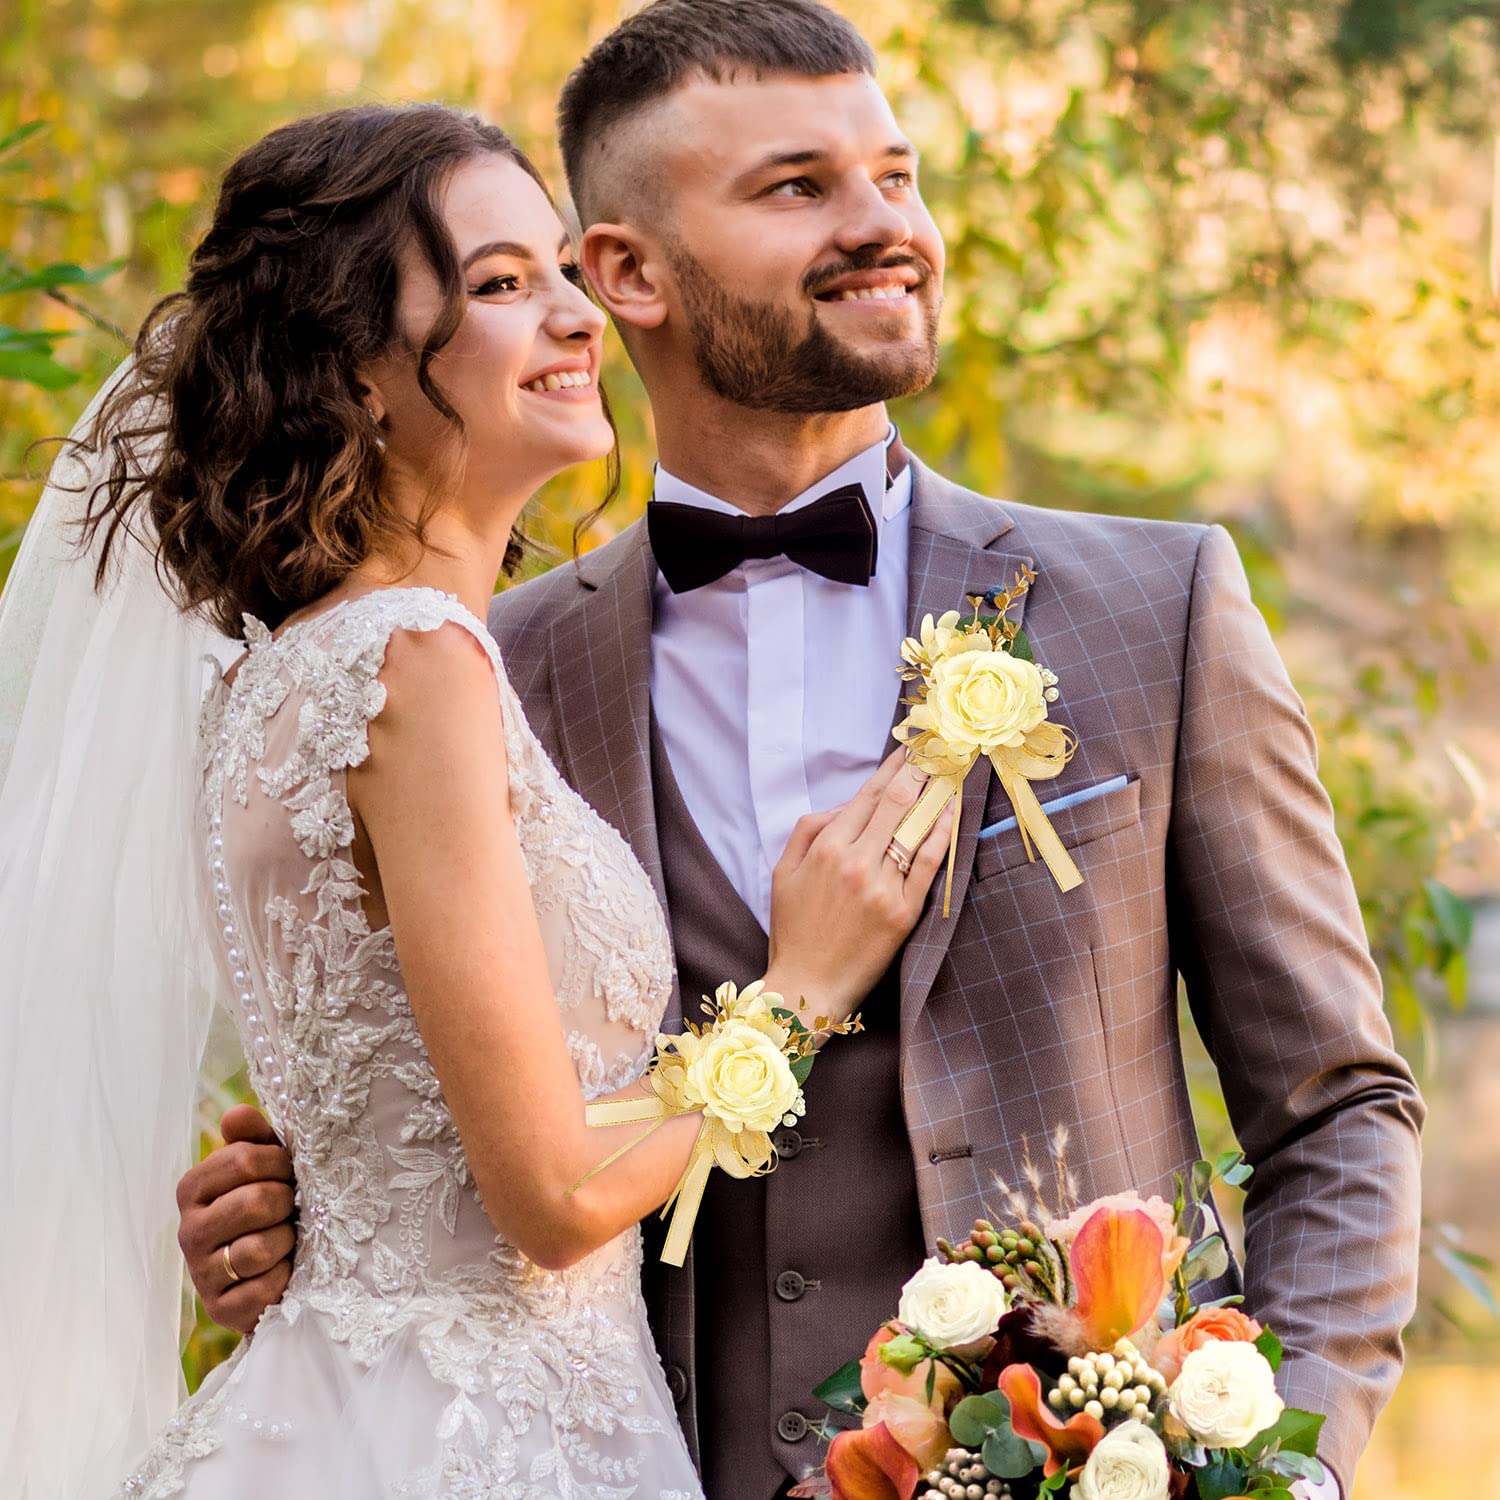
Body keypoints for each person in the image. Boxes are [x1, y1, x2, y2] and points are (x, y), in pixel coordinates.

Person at [178, 5, 1425, 1497]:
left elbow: (1338, 1107)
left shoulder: (1154, 608)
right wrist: (301, 1204)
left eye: (894, 177)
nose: (884, 227)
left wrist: (1290, 1467)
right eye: (799, 189)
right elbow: (471, 1128)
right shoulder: (474, 665)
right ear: (624, 272)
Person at [0, 100, 955, 1499]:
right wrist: (799, 996)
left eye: (563, 270)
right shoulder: (415, 664)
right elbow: (556, 1198)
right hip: (484, 1438)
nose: (577, 318)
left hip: (345, 1408)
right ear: (361, 375)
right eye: (502, 284)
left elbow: (383, 1113)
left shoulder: (276, 680)